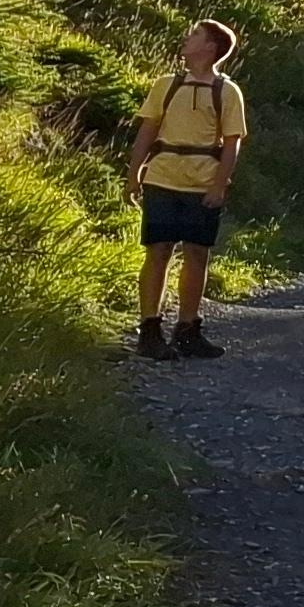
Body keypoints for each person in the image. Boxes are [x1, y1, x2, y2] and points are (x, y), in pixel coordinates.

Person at [129, 20, 249, 360]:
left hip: (202, 181)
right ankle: (150, 329)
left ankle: (187, 328)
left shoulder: (227, 91)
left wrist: (219, 183)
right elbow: (147, 132)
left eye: (195, 35)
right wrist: (134, 174)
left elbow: (231, 143)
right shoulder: (166, 85)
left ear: (211, 47)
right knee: (158, 251)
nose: (187, 39)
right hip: (162, 177)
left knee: (197, 254)